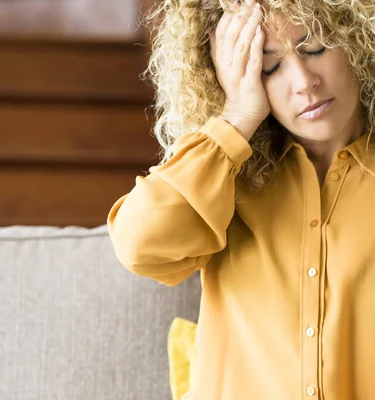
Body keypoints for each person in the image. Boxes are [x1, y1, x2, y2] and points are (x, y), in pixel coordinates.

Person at [107, 0, 375, 399]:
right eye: (269, 67)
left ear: (357, 40)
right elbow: (139, 245)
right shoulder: (221, 179)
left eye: (315, 47)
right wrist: (236, 117)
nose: (303, 81)